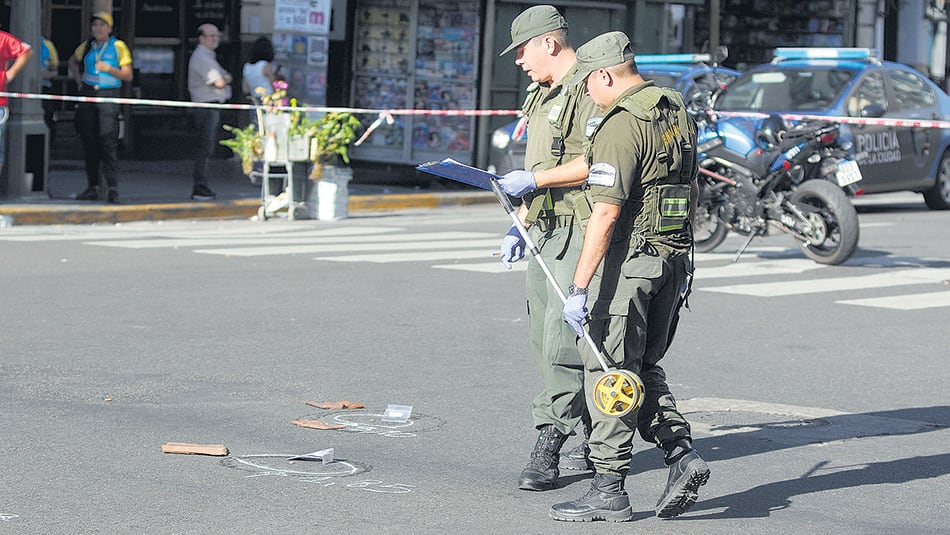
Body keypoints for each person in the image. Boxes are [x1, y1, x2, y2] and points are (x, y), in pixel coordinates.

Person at [549, 31, 710, 522]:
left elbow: (604, 213)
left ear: (603, 75)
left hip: (632, 265)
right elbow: (691, 184)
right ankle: (681, 453)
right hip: (672, 260)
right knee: (639, 364)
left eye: (586, 87)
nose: (586, 97)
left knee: (610, 368)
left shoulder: (621, 124)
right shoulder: (674, 109)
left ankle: (609, 486)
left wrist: (578, 288)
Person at [494, 5, 599, 492]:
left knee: (563, 338)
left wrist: (534, 179)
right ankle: (593, 431)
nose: (518, 60)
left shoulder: (588, 87)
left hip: (580, 227)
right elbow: (543, 163)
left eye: (522, 49)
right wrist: (521, 221)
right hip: (545, 227)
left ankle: (551, 438)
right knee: (543, 335)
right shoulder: (542, 93)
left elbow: (598, 163)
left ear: (549, 44)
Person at [68, 11, 132, 204]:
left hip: (108, 93)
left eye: (102, 25)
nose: (97, 28)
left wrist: (109, 69)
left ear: (110, 28)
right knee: (90, 142)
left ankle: (112, 188)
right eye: (95, 24)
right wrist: (79, 82)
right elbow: (73, 61)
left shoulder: (118, 46)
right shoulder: (88, 45)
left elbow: (127, 75)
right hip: (88, 92)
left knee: (108, 142)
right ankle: (92, 186)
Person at [187, 23, 232, 201]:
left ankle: (201, 185)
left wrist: (225, 78)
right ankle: (200, 186)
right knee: (204, 148)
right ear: (202, 38)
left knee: (207, 147)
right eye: (211, 36)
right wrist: (226, 78)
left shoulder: (209, 56)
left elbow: (225, 77)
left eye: (217, 36)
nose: (215, 39)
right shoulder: (201, 57)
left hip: (211, 105)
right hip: (206, 106)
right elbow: (220, 81)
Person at [242, 36, 275, 103]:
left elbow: (245, 89)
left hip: (254, 99)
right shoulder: (265, 65)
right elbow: (274, 85)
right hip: (268, 99)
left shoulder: (247, 66)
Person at [41, 36, 59, 144]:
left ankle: (49, 143)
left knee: (48, 114)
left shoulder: (47, 45)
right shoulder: (16, 43)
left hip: (44, 87)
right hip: (22, 88)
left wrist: (47, 74)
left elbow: (55, 71)